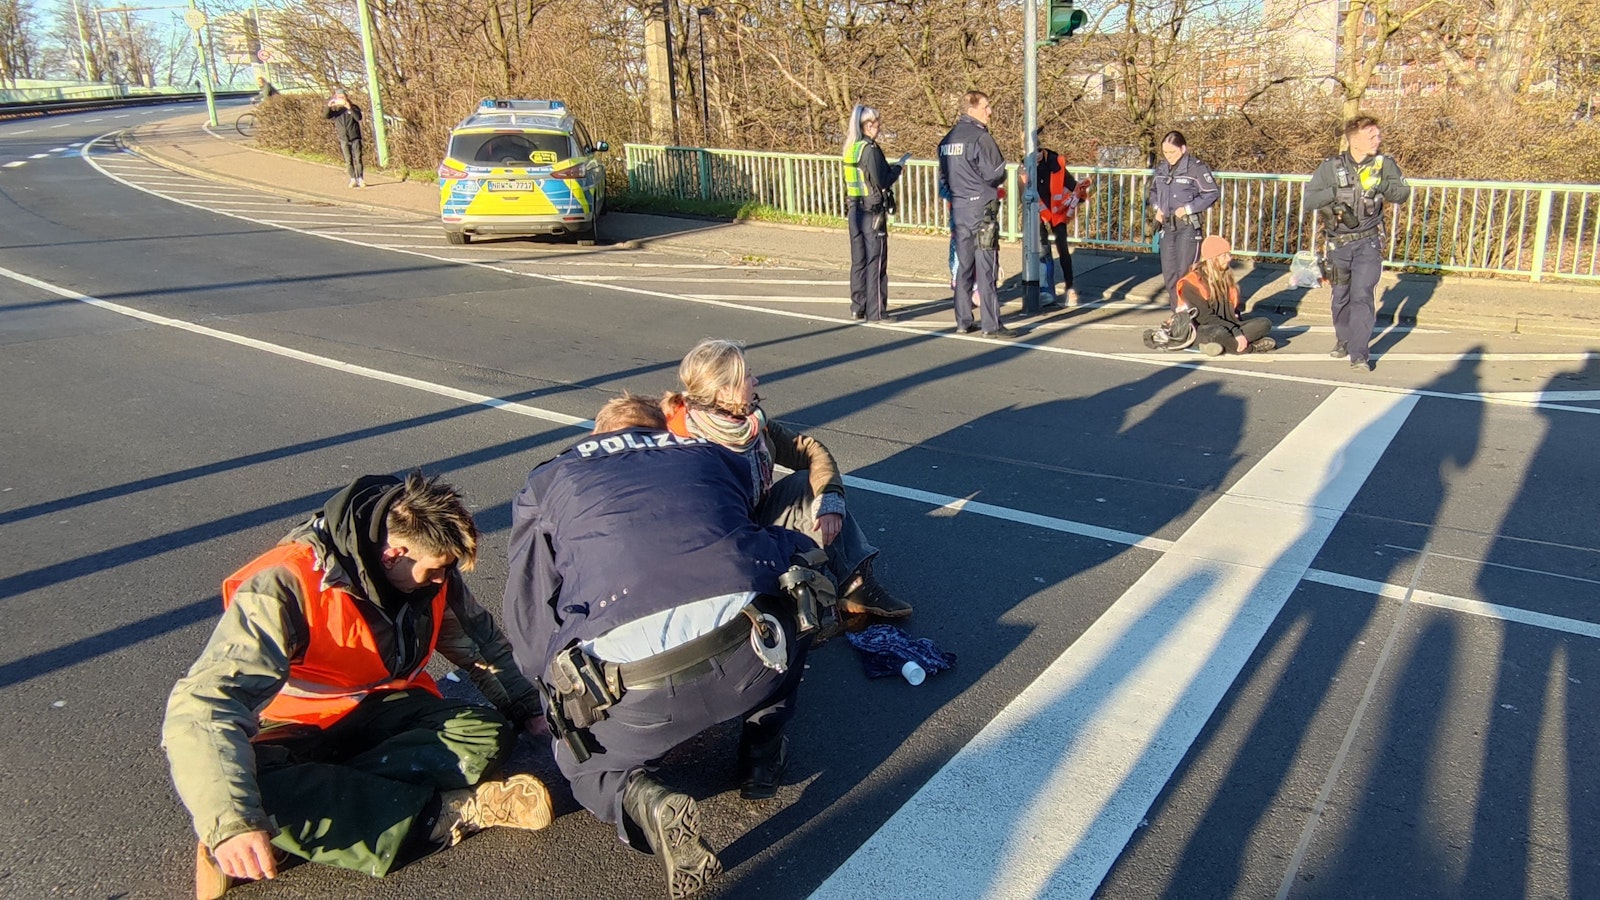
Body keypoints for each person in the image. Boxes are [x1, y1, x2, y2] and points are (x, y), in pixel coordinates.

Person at [163, 472, 552, 899]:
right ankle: (450, 812)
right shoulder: (285, 584)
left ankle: (315, 815)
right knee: (257, 792)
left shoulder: (430, 571)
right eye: (435, 570)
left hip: (382, 712)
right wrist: (231, 821)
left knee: (485, 734)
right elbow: (204, 705)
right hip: (295, 731)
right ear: (392, 554)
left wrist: (530, 708)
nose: (443, 581)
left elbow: (480, 645)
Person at [504, 395, 830, 899]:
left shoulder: (548, 481)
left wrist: (551, 694)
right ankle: (762, 756)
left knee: (581, 763)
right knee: (792, 599)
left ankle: (642, 799)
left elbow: (529, 613)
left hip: (638, 691)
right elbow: (756, 542)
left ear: (597, 435)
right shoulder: (707, 455)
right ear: (661, 430)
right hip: (750, 655)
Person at [661, 339, 912, 619]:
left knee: (807, 484)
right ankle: (783, 593)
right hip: (719, 543)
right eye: (747, 376)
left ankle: (855, 585)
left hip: (753, 518)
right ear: (723, 391)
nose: (756, 381)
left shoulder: (751, 423)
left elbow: (809, 450)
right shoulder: (683, 444)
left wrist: (830, 500)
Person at [1304, 115, 1412, 371]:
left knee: (1362, 296)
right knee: (1340, 296)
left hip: (1368, 242)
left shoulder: (1384, 164)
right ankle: (1343, 339)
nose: (1377, 140)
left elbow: (1402, 194)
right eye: (1371, 136)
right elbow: (1309, 200)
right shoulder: (1331, 167)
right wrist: (1334, 192)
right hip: (1338, 243)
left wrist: (1381, 184)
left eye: (1378, 135)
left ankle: (1359, 353)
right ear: (1354, 141)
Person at [938, 91, 1016, 338]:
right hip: (982, 209)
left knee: (964, 266)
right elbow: (995, 173)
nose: (990, 111)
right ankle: (991, 325)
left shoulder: (947, 141)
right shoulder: (981, 138)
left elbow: (943, 179)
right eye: (986, 106)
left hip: (959, 209)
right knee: (986, 267)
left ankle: (963, 321)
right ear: (972, 109)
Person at [842, 105, 905, 322]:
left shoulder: (851, 148)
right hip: (872, 211)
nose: (879, 128)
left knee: (858, 260)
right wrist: (898, 169)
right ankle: (876, 311)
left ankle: (857, 306)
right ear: (868, 125)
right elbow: (882, 180)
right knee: (876, 261)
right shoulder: (870, 149)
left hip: (854, 209)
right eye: (877, 124)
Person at [1146, 131, 1219, 308]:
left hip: (1188, 227)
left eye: (1172, 152)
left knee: (1186, 274)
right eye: (1165, 152)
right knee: (1170, 275)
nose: (1169, 156)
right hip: (1167, 226)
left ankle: (1191, 313)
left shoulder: (1196, 168)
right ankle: (1178, 314)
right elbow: (1152, 191)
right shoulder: (1162, 168)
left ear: (1183, 149)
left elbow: (1212, 193)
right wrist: (1157, 208)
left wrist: (1188, 208)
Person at [1178, 236, 1276, 356]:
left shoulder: (1225, 277)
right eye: (1224, 255)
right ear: (1213, 258)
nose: (1229, 259)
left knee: (1265, 323)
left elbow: (1233, 313)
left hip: (1228, 324)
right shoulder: (1191, 283)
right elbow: (1205, 318)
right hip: (1204, 328)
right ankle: (1251, 348)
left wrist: (1236, 329)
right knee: (1219, 333)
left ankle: (1223, 345)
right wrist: (1236, 331)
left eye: (1228, 254)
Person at [1027, 127, 1083, 309]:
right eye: (1032, 152)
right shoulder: (1025, 166)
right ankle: (1046, 289)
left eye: (1038, 151)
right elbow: (1024, 193)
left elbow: (1074, 187)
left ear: (1042, 150)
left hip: (1057, 212)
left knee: (1062, 248)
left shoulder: (1055, 163)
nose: (1036, 156)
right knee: (1041, 249)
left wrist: (1076, 197)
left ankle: (1070, 288)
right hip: (1039, 211)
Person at [326, 90, 365, 188]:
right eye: (339, 97)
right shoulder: (336, 111)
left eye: (342, 97)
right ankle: (353, 178)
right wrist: (328, 106)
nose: (341, 99)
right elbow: (326, 116)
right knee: (348, 160)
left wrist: (349, 107)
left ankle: (360, 178)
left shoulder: (354, 107)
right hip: (344, 138)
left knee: (358, 159)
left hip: (355, 137)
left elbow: (358, 118)